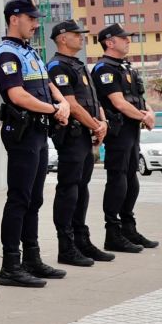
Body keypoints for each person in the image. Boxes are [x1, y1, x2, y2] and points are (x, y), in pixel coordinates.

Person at [0, 0, 70, 288]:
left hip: (38, 131)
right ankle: (10, 265)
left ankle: (31, 259)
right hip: (21, 132)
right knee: (19, 199)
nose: (36, 24)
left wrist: (61, 101)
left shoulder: (28, 52)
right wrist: (53, 109)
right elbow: (17, 95)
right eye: (31, 19)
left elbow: (47, 83)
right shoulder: (6, 54)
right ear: (14, 19)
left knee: (34, 199)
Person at [46, 19, 111, 266]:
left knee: (81, 188)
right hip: (72, 135)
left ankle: (81, 240)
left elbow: (93, 100)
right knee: (69, 189)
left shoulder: (78, 65)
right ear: (62, 38)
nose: (82, 37)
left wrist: (101, 122)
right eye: (76, 34)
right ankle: (66, 246)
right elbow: (71, 105)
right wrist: (96, 125)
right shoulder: (58, 66)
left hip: (86, 134)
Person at [93, 24, 158, 251]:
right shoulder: (104, 68)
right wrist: (144, 117)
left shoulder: (126, 67)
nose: (128, 41)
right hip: (118, 130)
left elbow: (138, 97)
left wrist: (149, 112)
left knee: (131, 178)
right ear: (110, 42)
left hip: (132, 129)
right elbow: (118, 102)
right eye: (123, 38)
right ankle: (113, 233)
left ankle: (129, 229)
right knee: (118, 179)